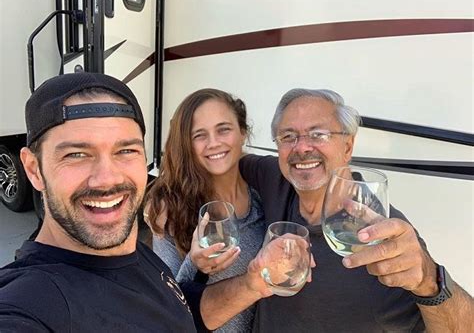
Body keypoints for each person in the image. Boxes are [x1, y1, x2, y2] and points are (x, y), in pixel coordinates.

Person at [193, 88, 473, 332]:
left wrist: (430, 281)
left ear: (348, 145)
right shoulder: (276, 179)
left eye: (318, 134)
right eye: (288, 136)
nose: (302, 148)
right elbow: (225, 157)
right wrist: (166, 192)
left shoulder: (383, 237)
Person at [0, 73, 200, 332]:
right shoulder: (31, 303)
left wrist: (250, 283)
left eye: (126, 151)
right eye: (77, 154)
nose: (107, 179)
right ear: (34, 169)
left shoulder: (134, 250)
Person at [145, 88, 266, 332]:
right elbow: (166, 304)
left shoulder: (264, 195)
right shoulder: (169, 206)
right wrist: (196, 264)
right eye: (199, 135)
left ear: (242, 132)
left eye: (224, 129)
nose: (214, 143)